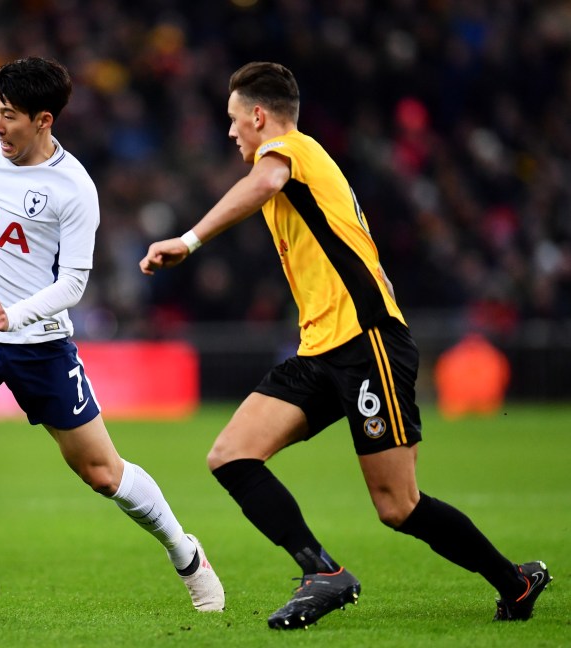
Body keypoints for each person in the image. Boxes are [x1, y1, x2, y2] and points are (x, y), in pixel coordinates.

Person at [139, 61, 551, 629]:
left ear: (259, 116)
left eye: (234, 120)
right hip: (319, 351)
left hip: (367, 340)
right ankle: (322, 572)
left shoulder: (290, 152)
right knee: (231, 455)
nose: (230, 131)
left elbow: (263, 184)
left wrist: (189, 240)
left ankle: (516, 582)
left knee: (397, 506)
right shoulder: (295, 163)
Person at [0, 56, 224, 613]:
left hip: (40, 344)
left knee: (103, 473)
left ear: (44, 120)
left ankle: (186, 553)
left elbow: (75, 283)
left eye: (9, 116)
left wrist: (16, 314)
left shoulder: (73, 187)